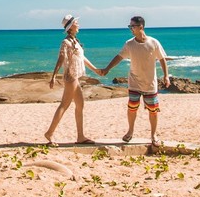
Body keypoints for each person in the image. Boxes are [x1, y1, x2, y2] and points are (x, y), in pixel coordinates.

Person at [101, 15, 169, 145]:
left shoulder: (153, 42)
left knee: (153, 111)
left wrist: (166, 76)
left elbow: (162, 59)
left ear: (141, 27)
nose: (130, 28)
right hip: (134, 83)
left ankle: (154, 135)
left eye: (132, 26)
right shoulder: (129, 44)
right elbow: (119, 56)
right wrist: (107, 68)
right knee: (132, 108)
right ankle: (130, 131)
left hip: (150, 84)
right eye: (130, 26)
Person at [44, 15, 103, 146]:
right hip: (70, 77)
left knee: (80, 105)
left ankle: (80, 136)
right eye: (76, 22)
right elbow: (61, 58)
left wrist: (95, 70)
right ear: (71, 27)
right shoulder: (66, 42)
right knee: (64, 105)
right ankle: (49, 133)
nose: (79, 24)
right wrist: (53, 76)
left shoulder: (74, 41)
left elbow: (82, 58)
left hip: (75, 77)